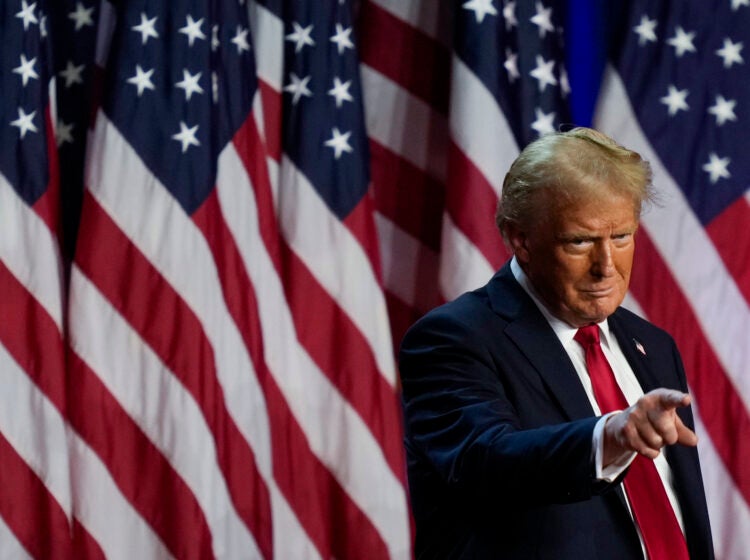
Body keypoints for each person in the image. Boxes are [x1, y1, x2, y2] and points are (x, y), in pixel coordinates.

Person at [399, 128, 714, 559]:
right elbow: (488, 460)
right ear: (521, 239)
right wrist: (611, 435)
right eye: (580, 241)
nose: (606, 266)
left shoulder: (653, 345)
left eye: (621, 236)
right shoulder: (453, 339)